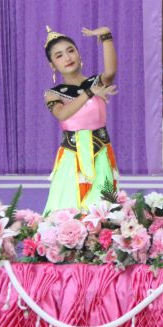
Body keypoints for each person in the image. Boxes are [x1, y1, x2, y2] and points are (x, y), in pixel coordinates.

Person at [42, 25, 118, 213]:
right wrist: (89, 93)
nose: (67, 58)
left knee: (102, 210)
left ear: (79, 54)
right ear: (53, 65)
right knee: (68, 208)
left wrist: (106, 36)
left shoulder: (96, 82)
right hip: (71, 156)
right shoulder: (53, 94)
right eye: (59, 55)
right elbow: (62, 114)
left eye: (71, 51)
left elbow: (110, 72)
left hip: (100, 153)